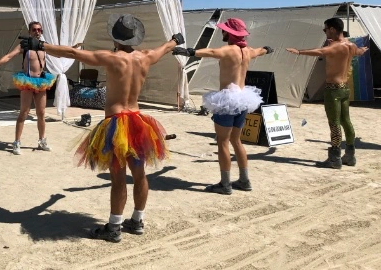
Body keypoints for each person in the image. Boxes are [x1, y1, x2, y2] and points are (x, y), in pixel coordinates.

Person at [20, 13, 184, 242]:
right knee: (140, 174)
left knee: (118, 178)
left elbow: (73, 53)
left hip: (117, 122)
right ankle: (137, 221)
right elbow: (164, 48)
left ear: (115, 37)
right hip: (137, 121)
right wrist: (175, 41)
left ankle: (114, 227)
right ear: (135, 38)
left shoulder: (112, 58)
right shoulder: (146, 57)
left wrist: (41, 45)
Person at [173, 18, 272, 195]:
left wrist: (190, 51)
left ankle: (225, 184)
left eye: (224, 30)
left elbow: (211, 51)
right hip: (243, 99)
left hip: (227, 101)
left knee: (223, 142)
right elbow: (260, 51)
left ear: (231, 33)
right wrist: (266, 49)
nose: (222, 33)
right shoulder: (247, 51)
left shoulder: (228, 50)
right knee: (236, 140)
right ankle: (244, 180)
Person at [286, 17, 368, 169]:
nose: (325, 33)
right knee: (346, 121)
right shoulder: (351, 45)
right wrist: (362, 50)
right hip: (344, 88)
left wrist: (299, 52)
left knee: (334, 123)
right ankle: (350, 155)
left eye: (325, 29)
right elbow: (358, 52)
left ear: (332, 29)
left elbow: (321, 51)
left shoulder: (336, 47)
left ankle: (334, 158)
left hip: (333, 90)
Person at [0, 21, 56, 155]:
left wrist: (73, 49)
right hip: (27, 80)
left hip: (41, 81)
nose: (37, 32)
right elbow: (10, 55)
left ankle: (42, 140)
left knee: (41, 113)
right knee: (24, 112)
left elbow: (60, 52)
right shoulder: (24, 45)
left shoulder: (44, 46)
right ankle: (17, 142)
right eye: (34, 30)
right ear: (29, 31)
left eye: (39, 30)